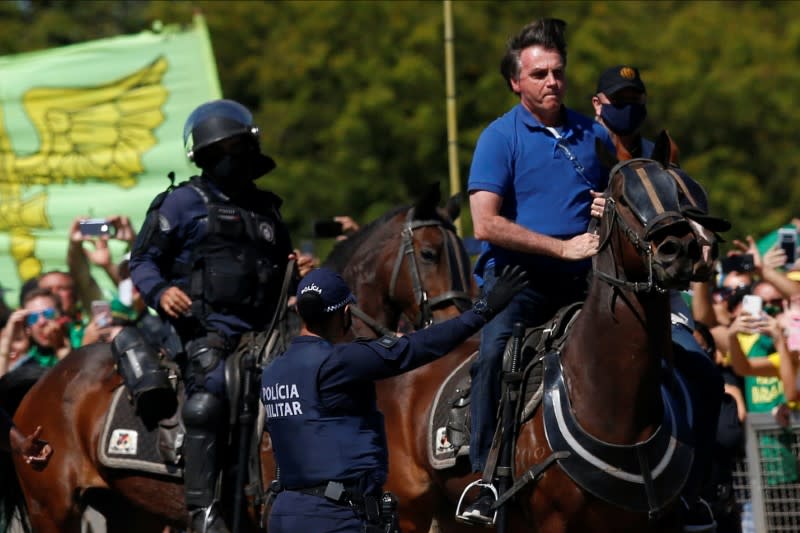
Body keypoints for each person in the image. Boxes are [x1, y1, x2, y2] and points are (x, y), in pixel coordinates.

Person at [463, 18, 613, 523]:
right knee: (493, 358)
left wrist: (606, 206)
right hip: (518, 283)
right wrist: (561, 247)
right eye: (539, 74)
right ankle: (483, 478)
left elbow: (617, 199)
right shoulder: (498, 137)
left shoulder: (593, 134)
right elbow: (484, 224)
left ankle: (675, 472)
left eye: (558, 72)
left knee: (654, 340)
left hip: (588, 280)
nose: (552, 82)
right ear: (516, 82)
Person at [129, 99, 296, 533]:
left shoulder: (267, 210)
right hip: (206, 336)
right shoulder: (182, 203)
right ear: (207, 158)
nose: (234, 160)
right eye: (224, 152)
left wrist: (300, 273)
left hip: (266, 335)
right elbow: (143, 261)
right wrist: (162, 291)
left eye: (239, 150)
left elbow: (281, 269)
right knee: (212, 396)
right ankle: (204, 510)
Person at [262, 266, 527, 532]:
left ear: (299, 311)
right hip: (336, 518)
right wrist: (483, 310)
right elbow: (416, 348)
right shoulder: (337, 361)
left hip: (286, 513)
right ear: (345, 314)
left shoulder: (273, 371)